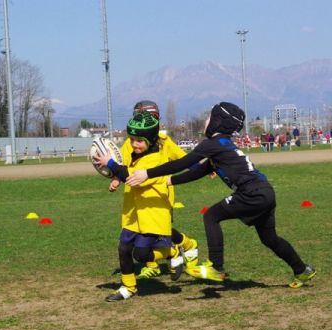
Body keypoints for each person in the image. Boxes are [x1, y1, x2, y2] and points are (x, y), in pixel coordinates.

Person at [126, 102, 315, 288]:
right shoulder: (223, 145)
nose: (206, 120)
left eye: (210, 117)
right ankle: (302, 270)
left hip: (251, 193)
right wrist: (169, 181)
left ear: (217, 122)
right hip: (265, 192)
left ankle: (216, 266)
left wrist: (147, 174)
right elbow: (199, 170)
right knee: (270, 239)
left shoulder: (212, 144)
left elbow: (182, 163)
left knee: (211, 216)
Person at [111, 100, 199, 280]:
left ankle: (185, 246)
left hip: (160, 193)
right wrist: (116, 178)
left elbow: (184, 159)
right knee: (146, 231)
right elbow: (122, 163)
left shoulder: (164, 142)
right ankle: (155, 264)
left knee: (159, 230)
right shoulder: (130, 142)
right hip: (135, 195)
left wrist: (199, 167)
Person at [94, 111, 174, 301]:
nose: (134, 144)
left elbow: (131, 175)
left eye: (139, 140)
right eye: (132, 139)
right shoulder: (134, 152)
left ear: (151, 140)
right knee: (123, 248)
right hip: (132, 213)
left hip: (150, 213)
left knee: (141, 254)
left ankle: (173, 251)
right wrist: (115, 178)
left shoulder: (154, 159)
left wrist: (110, 163)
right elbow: (123, 170)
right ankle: (128, 287)